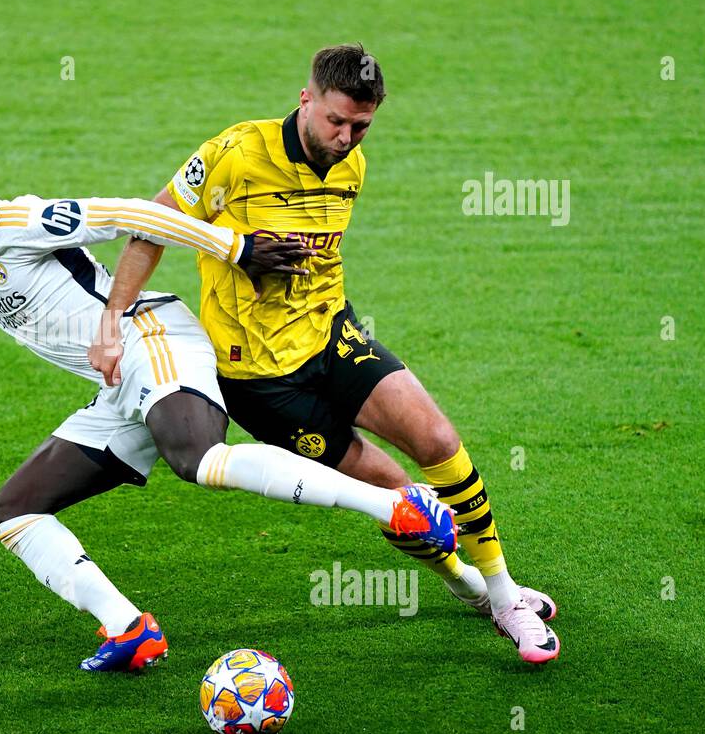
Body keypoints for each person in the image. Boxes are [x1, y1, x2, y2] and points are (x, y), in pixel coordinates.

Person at [0, 174, 457, 671]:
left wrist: (235, 247)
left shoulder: (16, 221)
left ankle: (397, 505)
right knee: (14, 510)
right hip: (118, 390)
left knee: (198, 457)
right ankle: (127, 627)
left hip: (154, 341)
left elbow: (134, 215)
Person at [93, 43, 558, 663]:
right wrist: (111, 319)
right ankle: (474, 590)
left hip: (333, 336)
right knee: (396, 492)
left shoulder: (353, 166)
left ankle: (505, 596)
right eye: (336, 121)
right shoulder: (235, 153)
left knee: (439, 443)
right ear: (306, 98)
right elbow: (150, 224)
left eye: (360, 126)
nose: (345, 137)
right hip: (259, 379)